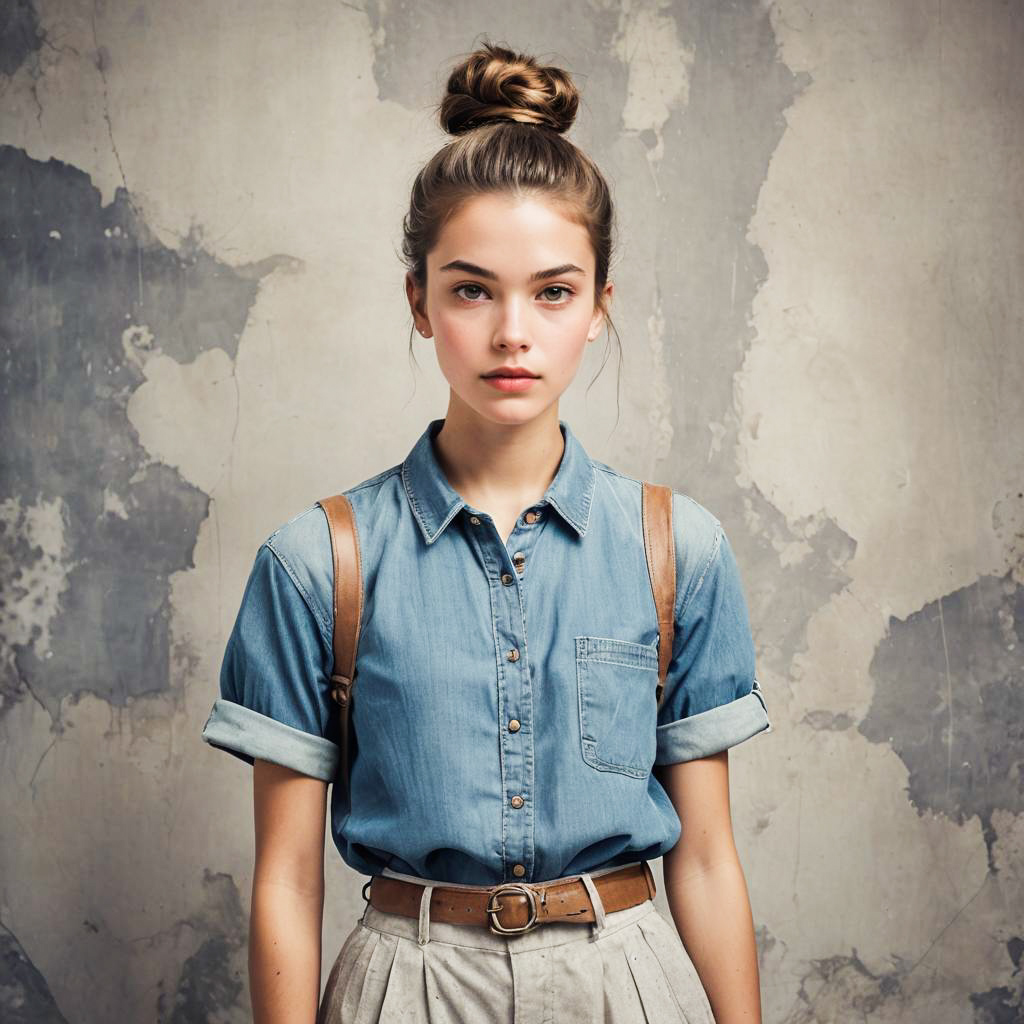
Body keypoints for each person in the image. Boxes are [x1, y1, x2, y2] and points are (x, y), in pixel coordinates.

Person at [201, 39, 772, 1024]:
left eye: (553, 290)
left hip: (627, 983)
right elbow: (285, 883)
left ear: (598, 307)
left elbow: (710, 861)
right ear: (419, 301)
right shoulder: (314, 562)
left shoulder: (676, 549)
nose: (513, 330)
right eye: (471, 289)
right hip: (406, 985)